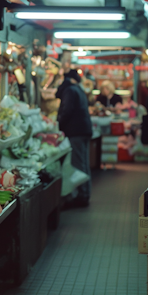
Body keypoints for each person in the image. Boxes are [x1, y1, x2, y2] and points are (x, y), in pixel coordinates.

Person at [56, 69, 93, 206]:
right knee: (83, 162)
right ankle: (85, 193)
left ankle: (82, 196)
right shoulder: (78, 89)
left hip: (76, 131)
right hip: (84, 129)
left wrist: (59, 124)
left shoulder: (70, 90)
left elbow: (67, 110)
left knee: (78, 164)